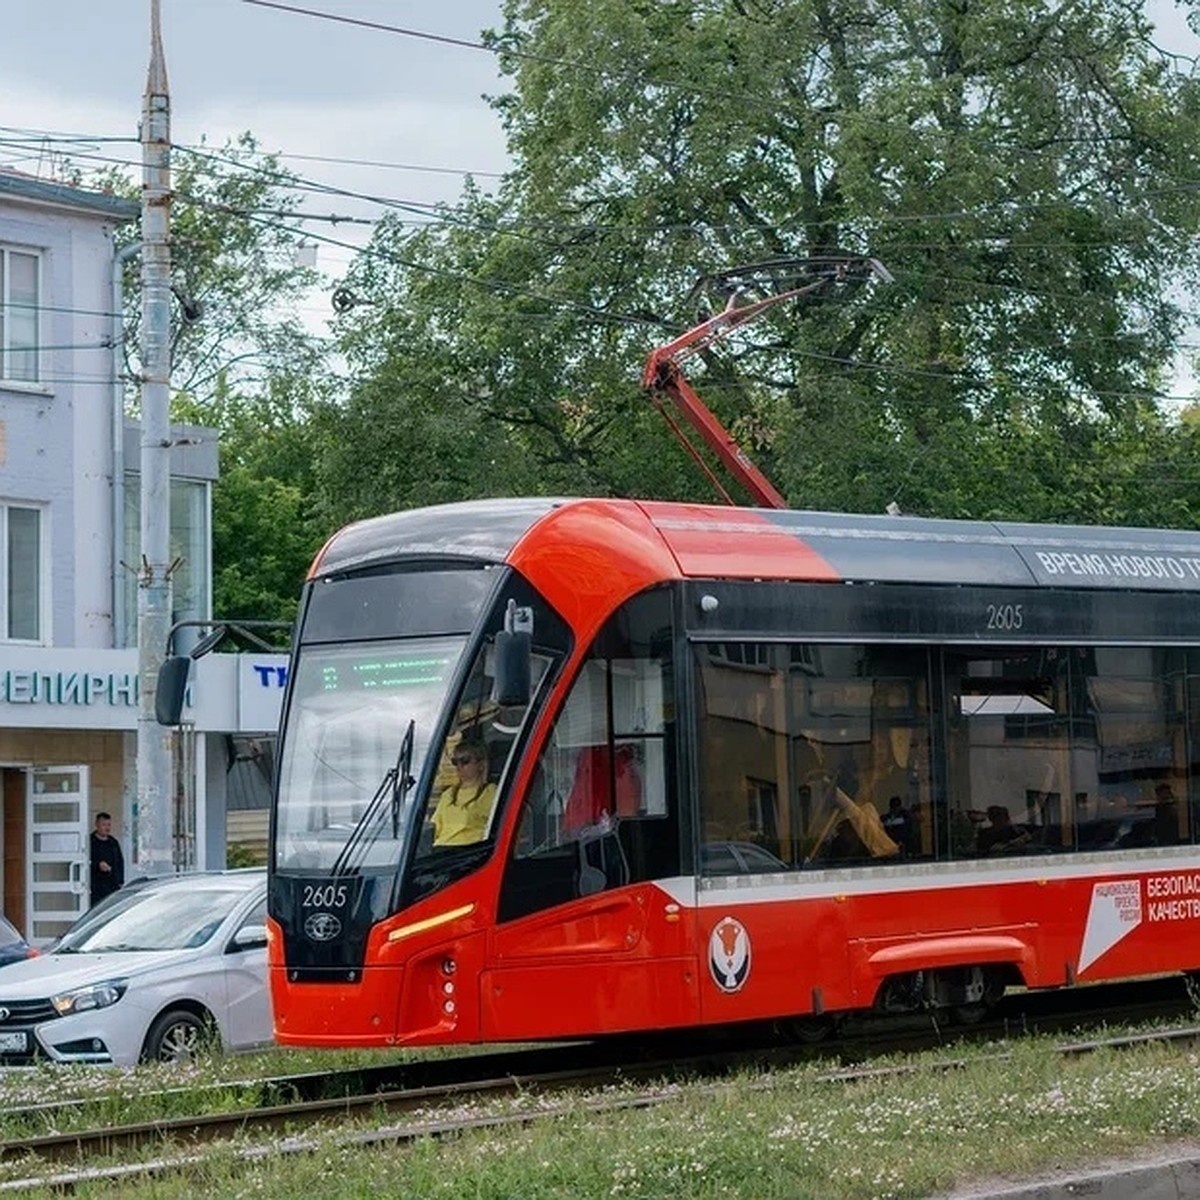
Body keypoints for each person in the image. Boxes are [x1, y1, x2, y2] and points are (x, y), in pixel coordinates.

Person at [432, 730, 497, 847]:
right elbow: (434, 828)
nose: (459, 766)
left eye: (465, 761)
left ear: (481, 764)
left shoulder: (491, 792)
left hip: (470, 853)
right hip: (440, 853)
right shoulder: (447, 794)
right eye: (455, 762)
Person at [89, 811, 124, 907]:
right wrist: (97, 865)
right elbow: (85, 862)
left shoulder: (113, 843)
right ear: (97, 825)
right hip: (95, 888)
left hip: (111, 887)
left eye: (109, 825)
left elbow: (120, 863)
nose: (107, 828)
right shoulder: (90, 842)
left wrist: (120, 882)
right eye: (104, 825)